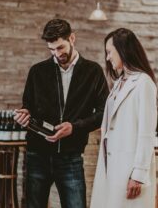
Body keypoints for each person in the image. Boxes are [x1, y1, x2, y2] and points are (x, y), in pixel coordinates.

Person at [14, 19, 109, 208]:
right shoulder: (37, 71)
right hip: (37, 155)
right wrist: (23, 116)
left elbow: (103, 114)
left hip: (71, 156)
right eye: (51, 50)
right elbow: (28, 108)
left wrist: (74, 127)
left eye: (60, 48)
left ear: (72, 38)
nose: (56, 54)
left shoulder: (93, 72)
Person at [90, 28, 157, 208]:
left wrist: (139, 174)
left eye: (109, 52)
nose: (108, 57)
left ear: (123, 50)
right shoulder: (119, 83)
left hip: (128, 168)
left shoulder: (144, 83)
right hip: (110, 164)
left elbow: (147, 132)